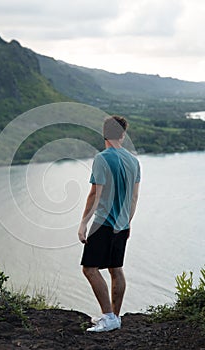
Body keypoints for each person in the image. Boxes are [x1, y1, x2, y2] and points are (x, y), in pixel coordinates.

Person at [78, 115, 141, 332]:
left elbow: (95, 193)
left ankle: (108, 316)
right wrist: (128, 221)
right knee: (116, 268)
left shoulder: (102, 158)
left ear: (104, 134)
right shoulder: (134, 161)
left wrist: (83, 223)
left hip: (103, 223)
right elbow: (133, 198)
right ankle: (115, 316)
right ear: (123, 135)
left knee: (90, 269)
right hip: (122, 224)